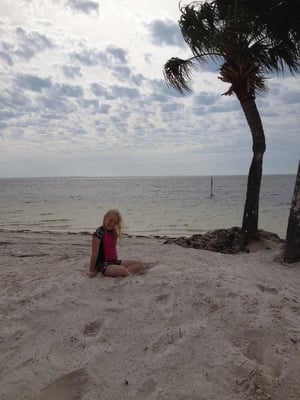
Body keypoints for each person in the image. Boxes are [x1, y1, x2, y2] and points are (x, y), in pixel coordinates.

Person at [89, 209, 144, 278]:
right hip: (103, 265)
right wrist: (91, 271)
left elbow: (112, 250)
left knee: (139, 263)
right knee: (122, 270)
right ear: (105, 218)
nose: (112, 224)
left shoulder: (113, 232)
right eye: (110, 220)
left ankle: (127, 273)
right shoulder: (99, 233)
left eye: (115, 223)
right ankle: (130, 275)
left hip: (114, 262)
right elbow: (94, 254)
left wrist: (116, 265)